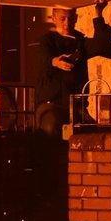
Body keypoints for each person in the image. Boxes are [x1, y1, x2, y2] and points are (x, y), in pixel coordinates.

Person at [35, 7, 90, 136]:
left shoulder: (80, 41)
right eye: (62, 19)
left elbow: (100, 46)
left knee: (92, 132)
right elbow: (44, 58)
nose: (67, 23)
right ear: (54, 19)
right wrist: (54, 62)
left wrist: (100, 16)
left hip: (75, 106)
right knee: (52, 126)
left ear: (76, 19)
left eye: (70, 19)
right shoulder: (46, 41)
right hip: (51, 105)